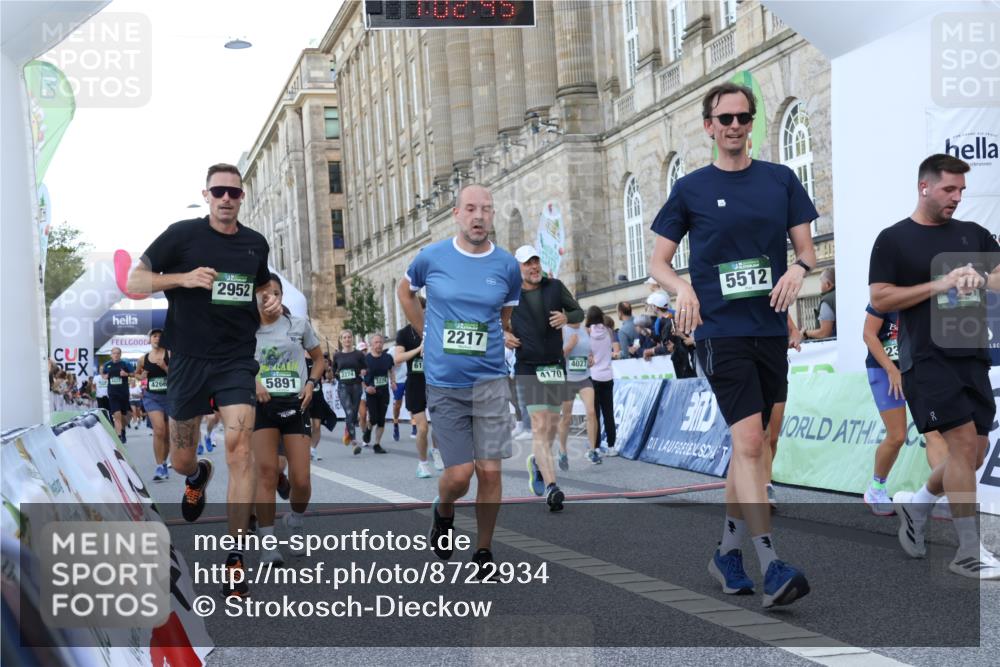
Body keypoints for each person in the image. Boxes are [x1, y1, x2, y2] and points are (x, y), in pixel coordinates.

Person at [649, 82, 818, 607]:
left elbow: (807, 251)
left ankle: (726, 553)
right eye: (725, 119)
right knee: (747, 445)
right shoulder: (691, 189)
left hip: (769, 327)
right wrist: (682, 289)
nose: (735, 126)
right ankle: (771, 565)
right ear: (708, 126)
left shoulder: (781, 180)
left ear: (752, 124)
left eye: (743, 118)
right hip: (720, 331)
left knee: (761, 447)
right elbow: (658, 262)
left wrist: (797, 271)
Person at [127, 162, 279, 598]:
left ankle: (235, 556)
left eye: (234, 192)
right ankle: (197, 478)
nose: (227, 199)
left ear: (242, 197)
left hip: (235, 359)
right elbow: (134, 280)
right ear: (207, 194)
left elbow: (264, 286)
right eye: (219, 192)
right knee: (180, 459)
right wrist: (183, 278)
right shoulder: (182, 235)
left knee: (241, 448)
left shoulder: (254, 243)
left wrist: (268, 304)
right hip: (189, 361)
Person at [870, 153, 1000, 579]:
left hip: (972, 354)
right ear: (924, 187)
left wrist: (982, 279)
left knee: (976, 454)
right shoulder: (893, 240)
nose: (957, 198)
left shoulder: (973, 234)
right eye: (949, 189)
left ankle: (919, 504)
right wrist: (939, 283)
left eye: (961, 190)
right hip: (925, 358)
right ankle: (967, 551)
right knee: (962, 446)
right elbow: (882, 299)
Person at [398, 183, 521, 575]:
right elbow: (405, 291)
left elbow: (504, 318)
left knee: (490, 471)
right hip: (445, 384)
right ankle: (444, 509)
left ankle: (484, 551)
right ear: (456, 213)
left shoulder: (506, 265)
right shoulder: (431, 257)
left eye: (486, 209)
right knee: (459, 475)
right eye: (470, 208)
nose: (479, 216)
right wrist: (426, 333)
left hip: (490, 381)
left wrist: (497, 338)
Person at [251, 274, 325, 565]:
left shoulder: (297, 324)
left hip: (296, 404)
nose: (270, 297)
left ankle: (294, 518)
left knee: (301, 480)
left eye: (276, 292)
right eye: (264, 293)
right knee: (268, 472)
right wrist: (252, 381)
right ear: (255, 298)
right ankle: (268, 543)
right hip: (262, 406)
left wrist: (311, 384)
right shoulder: (246, 329)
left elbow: (319, 359)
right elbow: (234, 361)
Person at [508, 244, 585, 512]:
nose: (534, 267)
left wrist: (566, 316)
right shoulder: (510, 293)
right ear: (519, 269)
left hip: (554, 364)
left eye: (536, 261)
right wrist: (503, 335)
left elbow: (579, 313)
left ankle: (538, 464)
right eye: (528, 263)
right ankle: (553, 486)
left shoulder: (555, 286)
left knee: (552, 425)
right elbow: (492, 320)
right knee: (540, 424)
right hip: (527, 366)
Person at [861, 305, 948, 516]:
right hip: (884, 369)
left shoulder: (925, 293)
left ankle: (945, 495)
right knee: (897, 435)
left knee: (934, 432)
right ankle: (876, 489)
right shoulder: (884, 292)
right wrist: (892, 370)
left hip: (916, 367)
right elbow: (868, 334)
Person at [395, 296, 442, 477]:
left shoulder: (436, 329)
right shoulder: (404, 334)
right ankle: (422, 464)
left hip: (435, 382)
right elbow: (397, 358)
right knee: (423, 427)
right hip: (415, 384)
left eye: (420, 310)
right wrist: (418, 349)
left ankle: (436, 451)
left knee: (439, 424)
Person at [761, 313, 803, 508]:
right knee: (760, 434)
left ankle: (765, 479)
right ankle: (762, 484)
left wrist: (795, 336)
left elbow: (794, 329)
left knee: (773, 437)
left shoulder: (776, 299)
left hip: (776, 366)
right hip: (750, 367)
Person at [559, 316, 600, 465]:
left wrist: (590, 359)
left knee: (591, 411)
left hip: (584, 377)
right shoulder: (562, 330)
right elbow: (558, 355)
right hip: (568, 379)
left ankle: (592, 450)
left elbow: (588, 352)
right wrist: (569, 346)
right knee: (566, 417)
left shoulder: (585, 330)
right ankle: (562, 451)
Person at [137, 329, 171, 481]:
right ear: (149, 339)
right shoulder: (143, 358)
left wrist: (165, 368)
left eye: (160, 336)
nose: (157, 338)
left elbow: (178, 375)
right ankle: (159, 466)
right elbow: (136, 374)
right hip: (152, 397)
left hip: (170, 397)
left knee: (168, 435)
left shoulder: (171, 354)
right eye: (154, 336)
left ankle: (164, 463)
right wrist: (141, 376)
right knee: (159, 430)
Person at [587, 307, 618, 457]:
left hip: (593, 376)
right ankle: (612, 446)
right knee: (608, 413)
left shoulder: (588, 332)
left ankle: (596, 446)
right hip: (608, 375)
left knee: (595, 414)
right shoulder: (608, 331)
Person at [333, 330, 366, 453]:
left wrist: (363, 371)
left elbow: (365, 366)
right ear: (341, 340)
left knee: (353, 413)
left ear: (352, 339)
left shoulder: (358, 354)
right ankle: (354, 442)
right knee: (349, 411)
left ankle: (348, 429)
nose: (347, 339)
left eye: (349, 337)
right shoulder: (337, 355)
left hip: (356, 386)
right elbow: (334, 369)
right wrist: (338, 376)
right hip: (343, 387)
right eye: (344, 338)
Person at [361, 333, 395, 454]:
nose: (379, 345)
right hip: (371, 393)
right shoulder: (366, 359)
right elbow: (360, 377)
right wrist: (366, 387)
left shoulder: (388, 357)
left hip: (384, 392)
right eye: (376, 342)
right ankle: (368, 430)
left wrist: (393, 382)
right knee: (374, 418)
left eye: (380, 342)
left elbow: (391, 370)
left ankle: (377, 444)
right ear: (371, 344)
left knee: (381, 420)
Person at [101, 347, 135, 444]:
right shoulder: (107, 365)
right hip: (112, 393)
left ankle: (123, 430)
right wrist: (105, 376)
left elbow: (134, 374)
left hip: (123, 393)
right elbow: (103, 375)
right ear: (111, 354)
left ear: (120, 354)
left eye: (117, 353)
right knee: (117, 415)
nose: (115, 355)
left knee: (123, 416)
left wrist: (126, 374)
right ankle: (119, 437)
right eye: (114, 353)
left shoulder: (125, 364)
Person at [803, 268, 836, 340]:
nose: (820, 286)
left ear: (828, 284)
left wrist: (805, 333)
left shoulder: (828, 300)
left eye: (821, 282)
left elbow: (824, 333)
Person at [391, 343, 408, 442]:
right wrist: (396, 361)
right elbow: (389, 365)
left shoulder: (411, 347)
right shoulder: (391, 351)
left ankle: (414, 427)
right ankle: (395, 424)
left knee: (413, 403)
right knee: (398, 404)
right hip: (398, 381)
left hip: (409, 378)